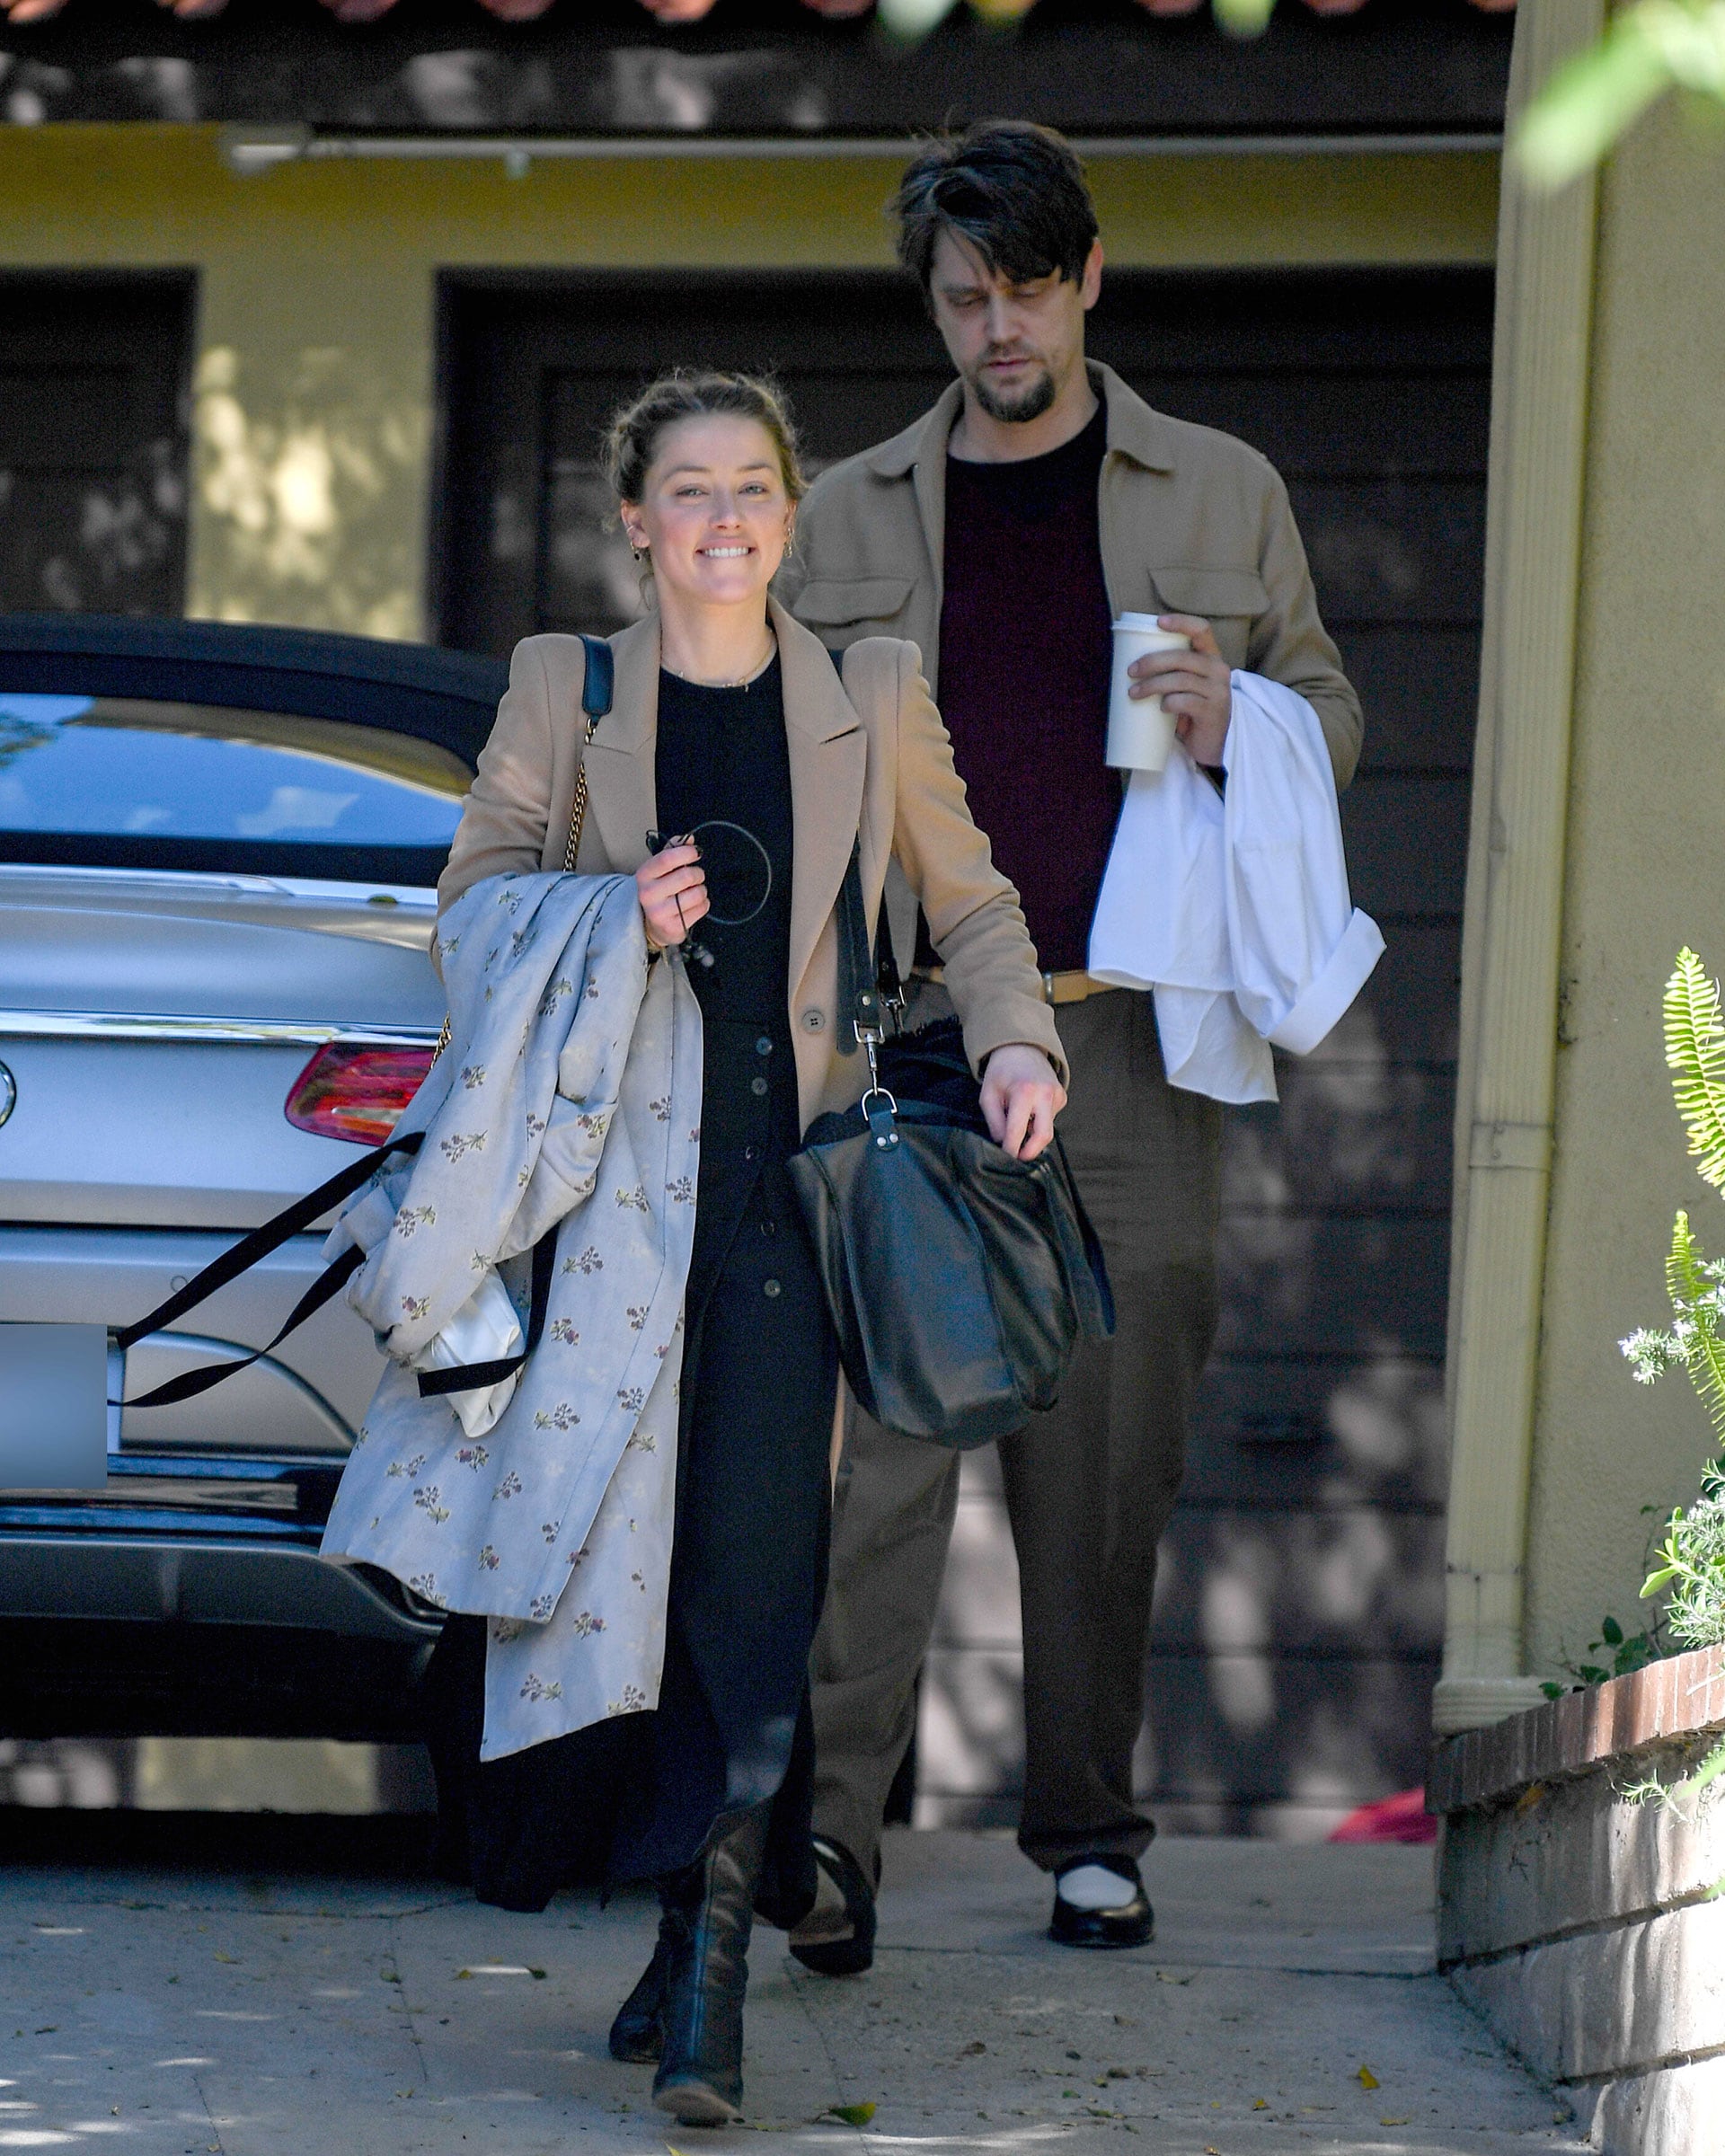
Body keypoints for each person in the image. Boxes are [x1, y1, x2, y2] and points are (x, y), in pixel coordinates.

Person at [423, 369, 1066, 2125]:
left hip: (790, 1206)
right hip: (610, 1214)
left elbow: (977, 908)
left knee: (751, 1581)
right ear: (636, 518)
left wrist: (1016, 1040)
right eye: (687, 490)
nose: (723, 518)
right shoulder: (575, 687)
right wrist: (604, 914)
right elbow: (469, 913)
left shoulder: (871, 693)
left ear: (792, 514)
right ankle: (662, 1909)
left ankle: (709, 1966)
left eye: (754, 488)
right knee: (610, 1580)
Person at [779, 121, 1363, 1961]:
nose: (999, 326)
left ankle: (1088, 1830)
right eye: (966, 297)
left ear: (1088, 279)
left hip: (1135, 1040)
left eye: (1028, 289)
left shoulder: (1219, 484)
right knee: (879, 1460)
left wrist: (1238, 720)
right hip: (924, 1035)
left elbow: (1335, 711)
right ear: (936, 306)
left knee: (1106, 1462)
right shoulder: (854, 510)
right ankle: (830, 1845)